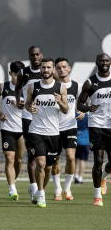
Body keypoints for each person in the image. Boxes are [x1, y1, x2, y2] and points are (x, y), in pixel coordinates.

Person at [25, 57, 68, 208]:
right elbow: (27, 105)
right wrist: (30, 108)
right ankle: (41, 194)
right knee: (41, 163)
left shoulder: (60, 88)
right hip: (36, 131)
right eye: (43, 67)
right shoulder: (33, 86)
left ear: (53, 69)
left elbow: (66, 109)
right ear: (40, 69)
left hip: (53, 132)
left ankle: (37, 190)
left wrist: (60, 102)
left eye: (49, 67)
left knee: (49, 168)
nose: (45, 70)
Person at [77, 53, 111, 206]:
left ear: (110, 62)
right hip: (96, 124)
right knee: (98, 160)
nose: (104, 62)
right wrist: (88, 108)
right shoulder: (90, 83)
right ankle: (97, 196)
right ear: (97, 62)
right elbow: (80, 104)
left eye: (107, 60)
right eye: (101, 60)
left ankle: (104, 175)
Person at [50, 57, 83, 201]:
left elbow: (84, 103)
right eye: (59, 67)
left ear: (69, 68)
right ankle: (57, 189)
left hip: (70, 127)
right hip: (53, 128)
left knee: (70, 158)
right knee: (55, 160)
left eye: (64, 67)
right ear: (55, 70)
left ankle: (67, 188)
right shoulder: (52, 87)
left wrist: (83, 112)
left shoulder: (77, 86)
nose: (62, 69)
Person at [0, 61, 25, 200]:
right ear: (10, 73)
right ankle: (12, 189)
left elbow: (34, 106)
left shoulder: (27, 88)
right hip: (7, 128)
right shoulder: (3, 86)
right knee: (9, 159)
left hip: (23, 128)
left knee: (18, 161)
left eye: (20, 75)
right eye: (15, 75)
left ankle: (14, 180)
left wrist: (22, 104)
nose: (17, 78)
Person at [75, 112, 89, 184]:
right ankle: (80, 176)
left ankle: (76, 175)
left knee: (76, 159)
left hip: (76, 138)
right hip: (84, 139)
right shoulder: (87, 116)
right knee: (82, 159)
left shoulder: (75, 114)